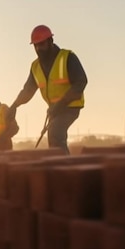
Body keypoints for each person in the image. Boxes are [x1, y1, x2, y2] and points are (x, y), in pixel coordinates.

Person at [9, 25, 87, 154]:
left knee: (55, 132)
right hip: (54, 109)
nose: (39, 48)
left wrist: (61, 103)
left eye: (42, 44)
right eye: (36, 46)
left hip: (70, 107)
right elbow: (28, 90)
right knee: (53, 139)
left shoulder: (67, 57)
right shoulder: (35, 66)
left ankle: (66, 169)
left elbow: (81, 81)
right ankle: (58, 167)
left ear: (51, 41)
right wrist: (14, 105)